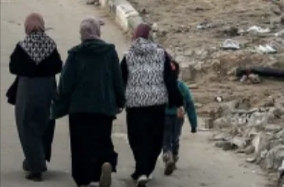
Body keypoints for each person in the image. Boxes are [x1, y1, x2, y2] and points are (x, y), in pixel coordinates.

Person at [52, 17, 124, 187]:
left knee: (81, 145)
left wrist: (60, 99)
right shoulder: (109, 52)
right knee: (102, 140)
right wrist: (120, 99)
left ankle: (83, 178)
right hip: (104, 107)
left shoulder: (75, 54)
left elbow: (66, 82)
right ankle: (105, 163)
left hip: (79, 108)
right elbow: (117, 78)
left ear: (82, 34)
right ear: (97, 32)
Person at [121, 23, 182, 186]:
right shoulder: (161, 54)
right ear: (150, 36)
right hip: (156, 104)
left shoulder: (128, 56)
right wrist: (177, 102)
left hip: (135, 105)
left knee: (137, 138)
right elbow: (169, 80)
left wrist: (118, 101)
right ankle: (145, 171)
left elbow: (121, 80)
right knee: (154, 139)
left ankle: (141, 170)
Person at [8, 13, 63, 181]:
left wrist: (30, 70)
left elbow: (13, 67)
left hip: (27, 91)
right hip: (47, 90)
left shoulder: (23, 46)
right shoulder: (50, 45)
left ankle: (36, 167)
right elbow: (58, 66)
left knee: (27, 126)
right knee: (44, 125)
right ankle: (36, 159)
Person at [161, 60, 197, 175]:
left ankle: (167, 156)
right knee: (175, 138)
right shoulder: (182, 87)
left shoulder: (161, 86)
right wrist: (193, 124)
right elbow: (190, 105)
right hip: (178, 117)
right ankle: (174, 157)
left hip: (164, 116)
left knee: (165, 139)